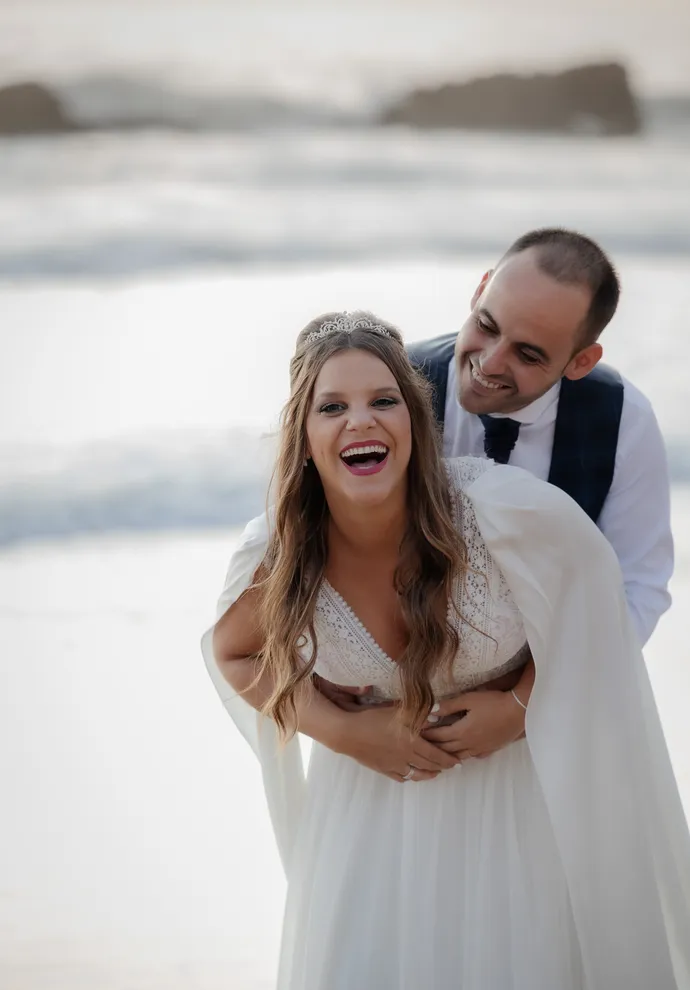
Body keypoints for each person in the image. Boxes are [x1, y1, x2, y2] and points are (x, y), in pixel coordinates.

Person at [202, 311, 690, 990]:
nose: (361, 421)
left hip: (519, 814)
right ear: (305, 438)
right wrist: (345, 730)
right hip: (369, 823)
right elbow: (235, 656)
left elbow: (599, 628)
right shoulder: (278, 554)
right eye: (332, 406)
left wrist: (521, 705)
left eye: (384, 401)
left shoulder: (511, 516)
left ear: (414, 423)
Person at [320, 229, 673, 764]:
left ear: (580, 361)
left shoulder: (623, 420)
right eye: (486, 325)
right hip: (389, 733)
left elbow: (634, 589)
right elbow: (306, 544)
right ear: (482, 288)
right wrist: (319, 669)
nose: (490, 360)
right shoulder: (388, 390)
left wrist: (525, 706)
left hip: (549, 733)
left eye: (528, 354)